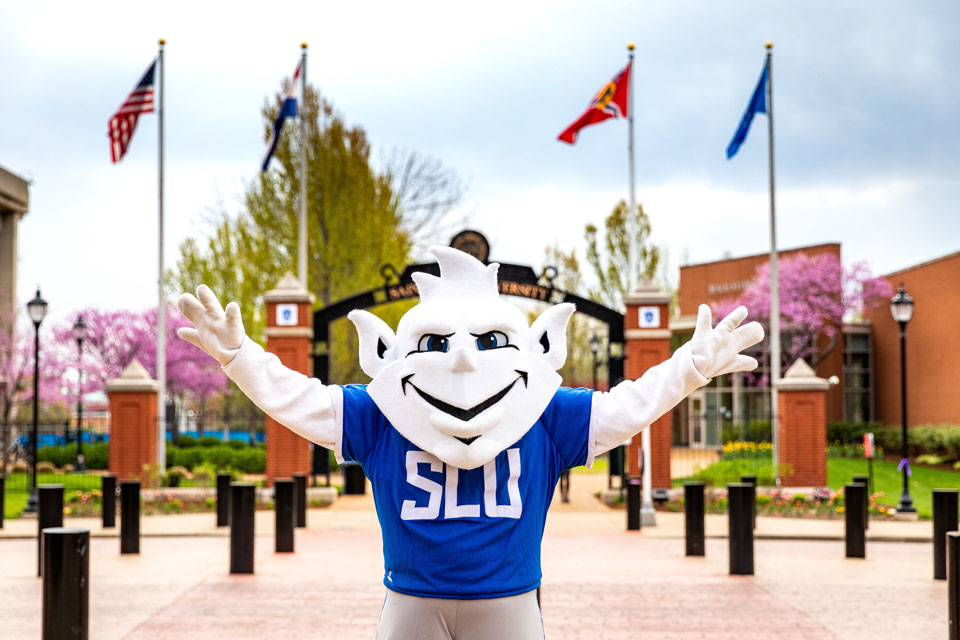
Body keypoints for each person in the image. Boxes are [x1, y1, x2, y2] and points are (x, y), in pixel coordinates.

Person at [177, 246, 763, 640]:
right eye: (437, 343)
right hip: (412, 599)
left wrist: (690, 367)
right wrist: (240, 356)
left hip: (505, 600)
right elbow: (297, 399)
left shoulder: (543, 410)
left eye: (487, 341)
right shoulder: (381, 409)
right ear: (387, 351)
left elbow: (627, 406)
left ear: (539, 348)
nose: (461, 358)